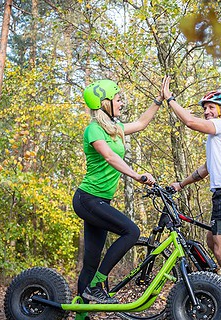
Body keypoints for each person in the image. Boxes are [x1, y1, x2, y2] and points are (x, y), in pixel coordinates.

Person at [72, 79, 162, 319]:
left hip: (100, 201)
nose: (121, 102)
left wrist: (159, 101)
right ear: (105, 103)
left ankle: (82, 314)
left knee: (91, 262)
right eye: (118, 98)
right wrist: (136, 175)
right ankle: (97, 286)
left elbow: (142, 123)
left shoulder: (115, 128)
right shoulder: (94, 129)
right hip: (87, 199)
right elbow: (110, 156)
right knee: (131, 232)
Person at [162, 75, 221, 294]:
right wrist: (181, 184)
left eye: (211, 107)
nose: (207, 112)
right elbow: (205, 169)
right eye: (205, 109)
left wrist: (170, 99)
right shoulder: (217, 139)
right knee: (212, 241)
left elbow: (190, 122)